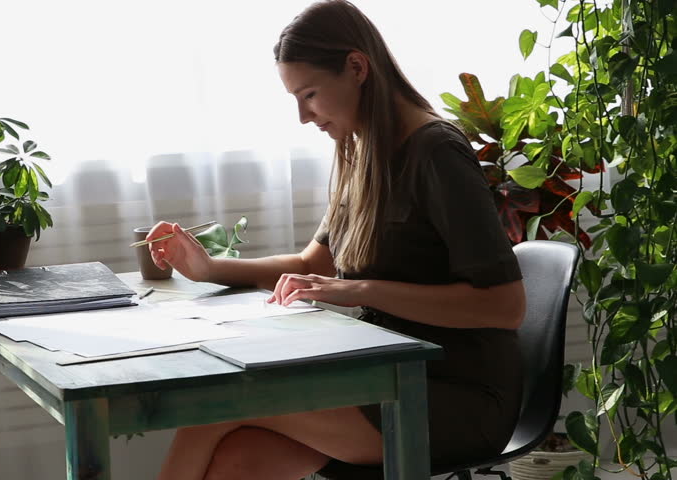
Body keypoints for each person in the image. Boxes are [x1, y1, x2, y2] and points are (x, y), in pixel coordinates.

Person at [148, 1, 526, 479]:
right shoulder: (363, 149)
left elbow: (506, 306)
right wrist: (209, 269)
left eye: (309, 94)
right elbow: (315, 265)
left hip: (456, 394)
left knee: (215, 408)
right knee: (237, 460)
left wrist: (363, 291)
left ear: (356, 67)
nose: (304, 116)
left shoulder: (437, 153)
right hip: (384, 374)